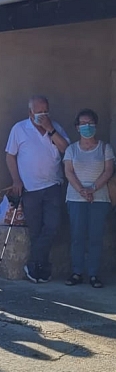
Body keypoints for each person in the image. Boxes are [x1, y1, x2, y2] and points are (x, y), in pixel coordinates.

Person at [6, 95, 69, 283]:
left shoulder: (56, 127)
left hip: (53, 186)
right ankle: (40, 267)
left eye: (45, 111)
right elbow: (10, 156)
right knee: (36, 230)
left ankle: (34, 263)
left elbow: (67, 149)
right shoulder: (19, 129)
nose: (42, 115)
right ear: (30, 113)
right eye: (38, 112)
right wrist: (16, 180)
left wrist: (50, 130)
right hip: (30, 189)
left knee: (52, 226)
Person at [63, 109, 113, 289]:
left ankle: (93, 274)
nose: (87, 127)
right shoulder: (71, 149)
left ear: (96, 125)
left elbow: (108, 171)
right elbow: (68, 172)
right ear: (77, 127)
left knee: (95, 237)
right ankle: (77, 272)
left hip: (99, 198)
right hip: (76, 198)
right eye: (83, 124)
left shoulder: (105, 148)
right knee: (77, 236)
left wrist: (92, 188)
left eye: (90, 123)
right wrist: (82, 190)